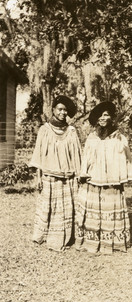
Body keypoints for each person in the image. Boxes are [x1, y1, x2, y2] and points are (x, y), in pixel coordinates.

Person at [75, 101, 132, 254]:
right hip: (94, 180)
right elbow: (86, 158)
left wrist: (125, 175)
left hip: (112, 183)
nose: (103, 118)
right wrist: (83, 174)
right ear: (96, 119)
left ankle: (112, 242)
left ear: (111, 118)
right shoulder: (92, 138)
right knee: (94, 211)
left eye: (106, 115)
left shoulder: (119, 138)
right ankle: (93, 241)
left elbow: (128, 158)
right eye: (100, 115)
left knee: (110, 210)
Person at [30, 95, 81, 251]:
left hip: (68, 178)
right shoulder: (45, 130)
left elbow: (77, 155)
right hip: (50, 177)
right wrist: (38, 177)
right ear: (53, 110)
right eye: (60, 109)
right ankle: (46, 236)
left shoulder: (71, 131)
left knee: (66, 209)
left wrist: (78, 176)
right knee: (50, 207)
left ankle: (67, 237)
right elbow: (38, 154)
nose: (63, 112)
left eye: (65, 110)